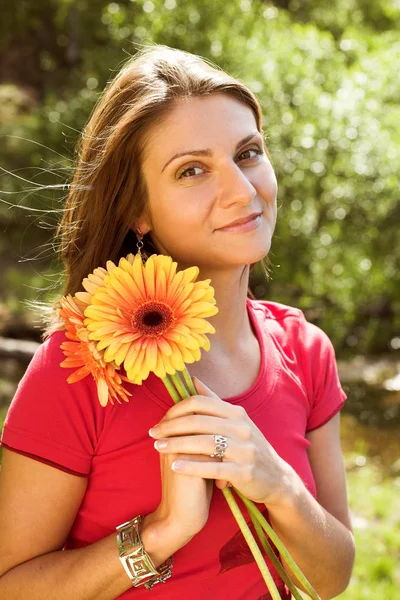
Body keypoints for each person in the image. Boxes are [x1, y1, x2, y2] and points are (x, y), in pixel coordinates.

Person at [0, 44, 355, 599]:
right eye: (192, 170)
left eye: (249, 153)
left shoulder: (306, 352)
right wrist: (163, 532)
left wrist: (279, 484)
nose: (242, 191)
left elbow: (331, 578)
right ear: (136, 210)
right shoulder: (83, 364)